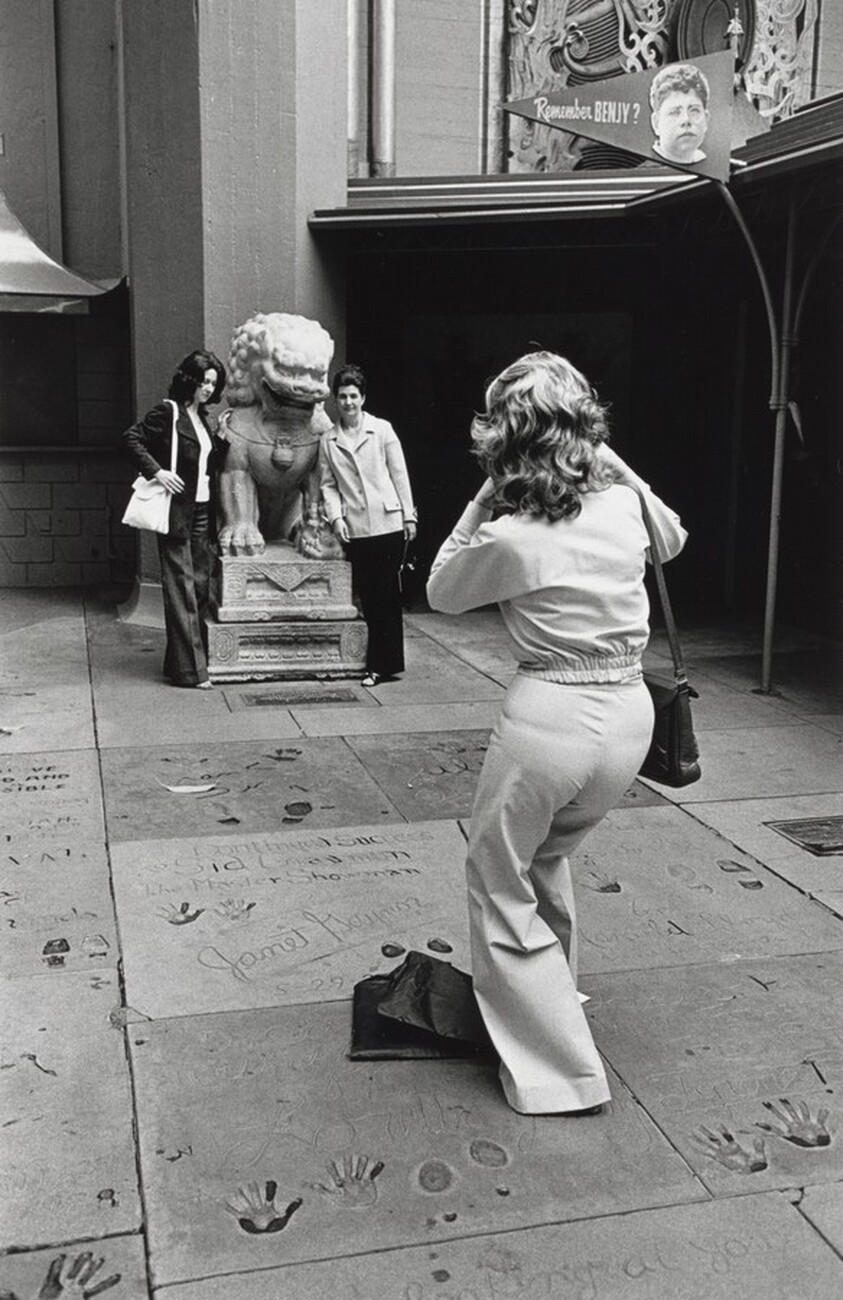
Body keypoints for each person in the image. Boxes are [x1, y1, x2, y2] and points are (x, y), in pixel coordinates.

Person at [426, 352, 686, 1115]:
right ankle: (551, 994)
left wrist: (479, 499)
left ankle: (557, 1072)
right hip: (629, 717)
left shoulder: (508, 538)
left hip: (549, 719)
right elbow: (670, 537)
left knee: (498, 878)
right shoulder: (621, 510)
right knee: (546, 860)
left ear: (499, 442)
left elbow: (441, 589)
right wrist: (611, 461)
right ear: (585, 431)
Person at [123, 349, 228, 689]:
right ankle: (193, 672)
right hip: (176, 512)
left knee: (198, 587)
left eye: (213, 383)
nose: (208, 388)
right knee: (182, 589)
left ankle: (177, 663)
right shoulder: (169, 412)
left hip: (201, 511)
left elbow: (203, 464)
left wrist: (221, 440)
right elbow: (131, 438)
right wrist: (158, 472)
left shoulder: (204, 419)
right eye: (203, 381)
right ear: (189, 380)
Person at [319, 364, 417, 688]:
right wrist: (336, 518)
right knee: (370, 597)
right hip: (356, 526)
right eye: (343, 396)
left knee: (388, 595)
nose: (348, 402)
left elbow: (399, 473)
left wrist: (408, 515)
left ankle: (381, 666)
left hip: (387, 522)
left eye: (354, 396)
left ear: (363, 398)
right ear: (335, 400)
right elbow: (328, 485)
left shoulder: (382, 430)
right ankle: (377, 663)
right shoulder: (329, 440)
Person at [649, 62, 710, 166]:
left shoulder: (710, 165)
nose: (686, 120)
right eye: (674, 113)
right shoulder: (644, 176)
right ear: (656, 123)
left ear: (706, 119)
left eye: (694, 111)